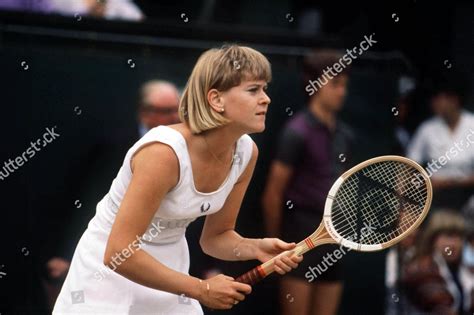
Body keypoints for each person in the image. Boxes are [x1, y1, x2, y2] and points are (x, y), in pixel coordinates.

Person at [53, 44, 303, 314]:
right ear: (216, 99)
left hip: (171, 270)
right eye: (253, 89)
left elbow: (215, 238)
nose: (265, 99)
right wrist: (200, 288)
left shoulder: (246, 152)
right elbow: (118, 252)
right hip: (106, 274)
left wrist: (255, 247)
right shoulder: (163, 153)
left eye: (265, 89)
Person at [262, 49, 354, 315]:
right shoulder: (296, 131)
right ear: (314, 84)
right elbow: (272, 194)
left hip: (333, 236)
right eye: (335, 84)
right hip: (299, 236)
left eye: (345, 85)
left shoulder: (345, 134)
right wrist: (277, 246)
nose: (342, 92)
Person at [407, 73, 474, 209]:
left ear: (454, 100)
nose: (434, 104)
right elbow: (409, 165)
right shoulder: (426, 129)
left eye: (438, 99)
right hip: (434, 197)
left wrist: (452, 183)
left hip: (469, 196)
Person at [402, 210, 474, 315]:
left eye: (458, 237)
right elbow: (441, 307)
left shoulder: (465, 270)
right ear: (432, 239)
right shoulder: (421, 270)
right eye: (448, 236)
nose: (453, 244)